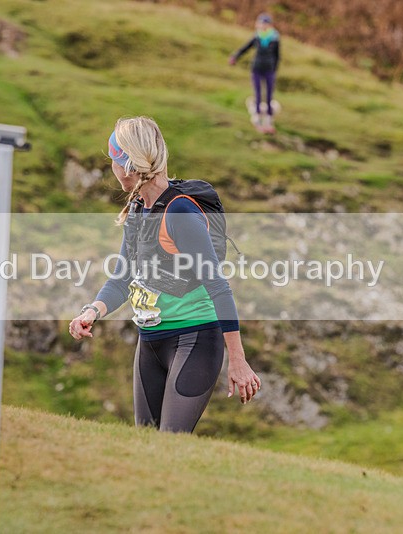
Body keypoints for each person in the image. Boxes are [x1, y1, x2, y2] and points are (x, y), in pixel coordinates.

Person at [68, 117, 261, 433]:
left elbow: (218, 287)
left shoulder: (179, 213)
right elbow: (121, 279)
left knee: (170, 443)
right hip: (150, 344)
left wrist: (237, 361)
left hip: (194, 340)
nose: (112, 169)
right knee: (147, 447)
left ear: (126, 165)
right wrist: (92, 311)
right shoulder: (139, 209)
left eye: (113, 161)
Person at [229, 13, 280, 133]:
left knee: (268, 94)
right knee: (257, 93)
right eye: (261, 23)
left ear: (269, 25)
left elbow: (277, 56)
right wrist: (235, 56)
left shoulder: (275, 38)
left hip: (269, 69)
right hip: (256, 68)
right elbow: (245, 48)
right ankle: (257, 118)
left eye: (265, 23)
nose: (263, 26)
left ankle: (268, 120)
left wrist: (274, 69)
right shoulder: (257, 37)